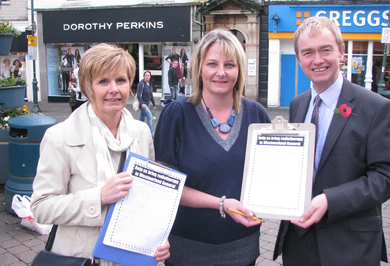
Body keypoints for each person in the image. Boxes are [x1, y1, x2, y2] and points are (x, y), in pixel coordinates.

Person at [273, 16, 390, 266]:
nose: (317, 60)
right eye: (308, 52)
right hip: (298, 241)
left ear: (341, 53)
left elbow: (388, 177)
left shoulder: (377, 108)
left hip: (349, 246)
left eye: (325, 50)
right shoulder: (298, 104)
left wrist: (331, 200)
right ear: (299, 59)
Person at [31, 43, 170, 265]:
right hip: (82, 259)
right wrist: (99, 197)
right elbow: (41, 207)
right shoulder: (60, 137)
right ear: (88, 87)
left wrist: (157, 240)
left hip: (131, 258)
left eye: (121, 80)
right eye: (103, 81)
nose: (113, 89)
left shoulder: (141, 133)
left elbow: (146, 202)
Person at [154, 28, 271, 266]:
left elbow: (269, 176)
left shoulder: (257, 115)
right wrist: (221, 204)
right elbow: (164, 187)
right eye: (212, 64)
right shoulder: (176, 115)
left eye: (229, 64)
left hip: (243, 249)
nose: (221, 72)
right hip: (188, 251)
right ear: (199, 69)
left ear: (239, 70)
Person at [137, 71, 156, 135]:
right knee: (150, 117)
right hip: (143, 104)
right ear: (144, 76)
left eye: (148, 75)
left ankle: (137, 130)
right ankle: (151, 132)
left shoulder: (150, 84)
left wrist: (154, 104)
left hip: (147, 104)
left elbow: (151, 95)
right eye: (146, 75)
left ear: (150, 77)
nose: (147, 76)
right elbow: (138, 95)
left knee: (142, 119)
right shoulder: (141, 84)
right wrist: (142, 103)